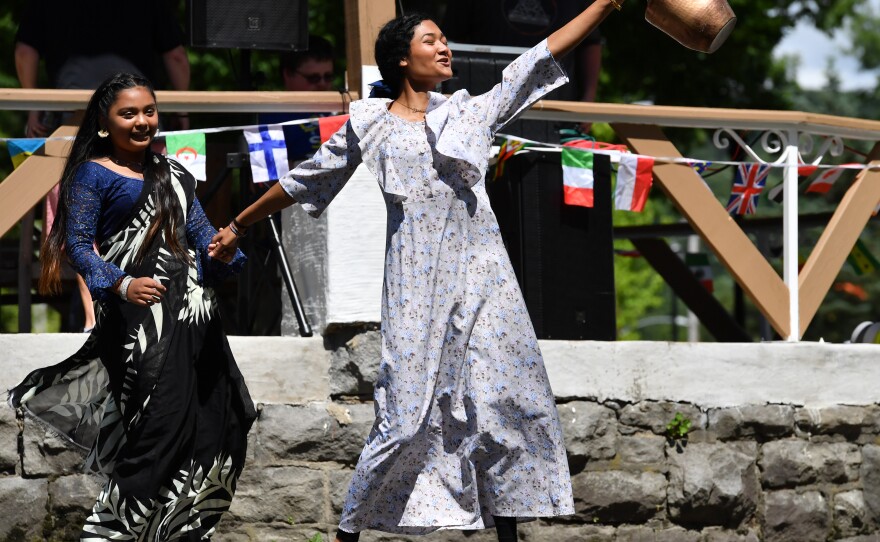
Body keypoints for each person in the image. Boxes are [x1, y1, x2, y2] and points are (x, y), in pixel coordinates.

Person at [209, 2, 621, 540]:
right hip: (414, 281)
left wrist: (605, 4)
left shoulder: (471, 111)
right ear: (402, 60)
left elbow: (538, 56)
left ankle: (508, 534)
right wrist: (239, 224)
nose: (445, 46)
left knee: (503, 401)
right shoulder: (370, 122)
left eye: (444, 38)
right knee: (404, 414)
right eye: (431, 40)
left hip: (483, 274)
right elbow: (304, 179)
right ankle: (350, 529)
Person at [8, 73, 256, 540]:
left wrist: (223, 250)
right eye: (128, 113)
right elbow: (79, 246)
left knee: (211, 428)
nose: (142, 121)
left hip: (195, 323)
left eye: (149, 111)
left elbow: (200, 238)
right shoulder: (92, 174)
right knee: (157, 433)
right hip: (138, 329)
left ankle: (174, 533)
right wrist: (121, 284)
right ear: (104, 123)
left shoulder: (177, 174)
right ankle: (106, 535)